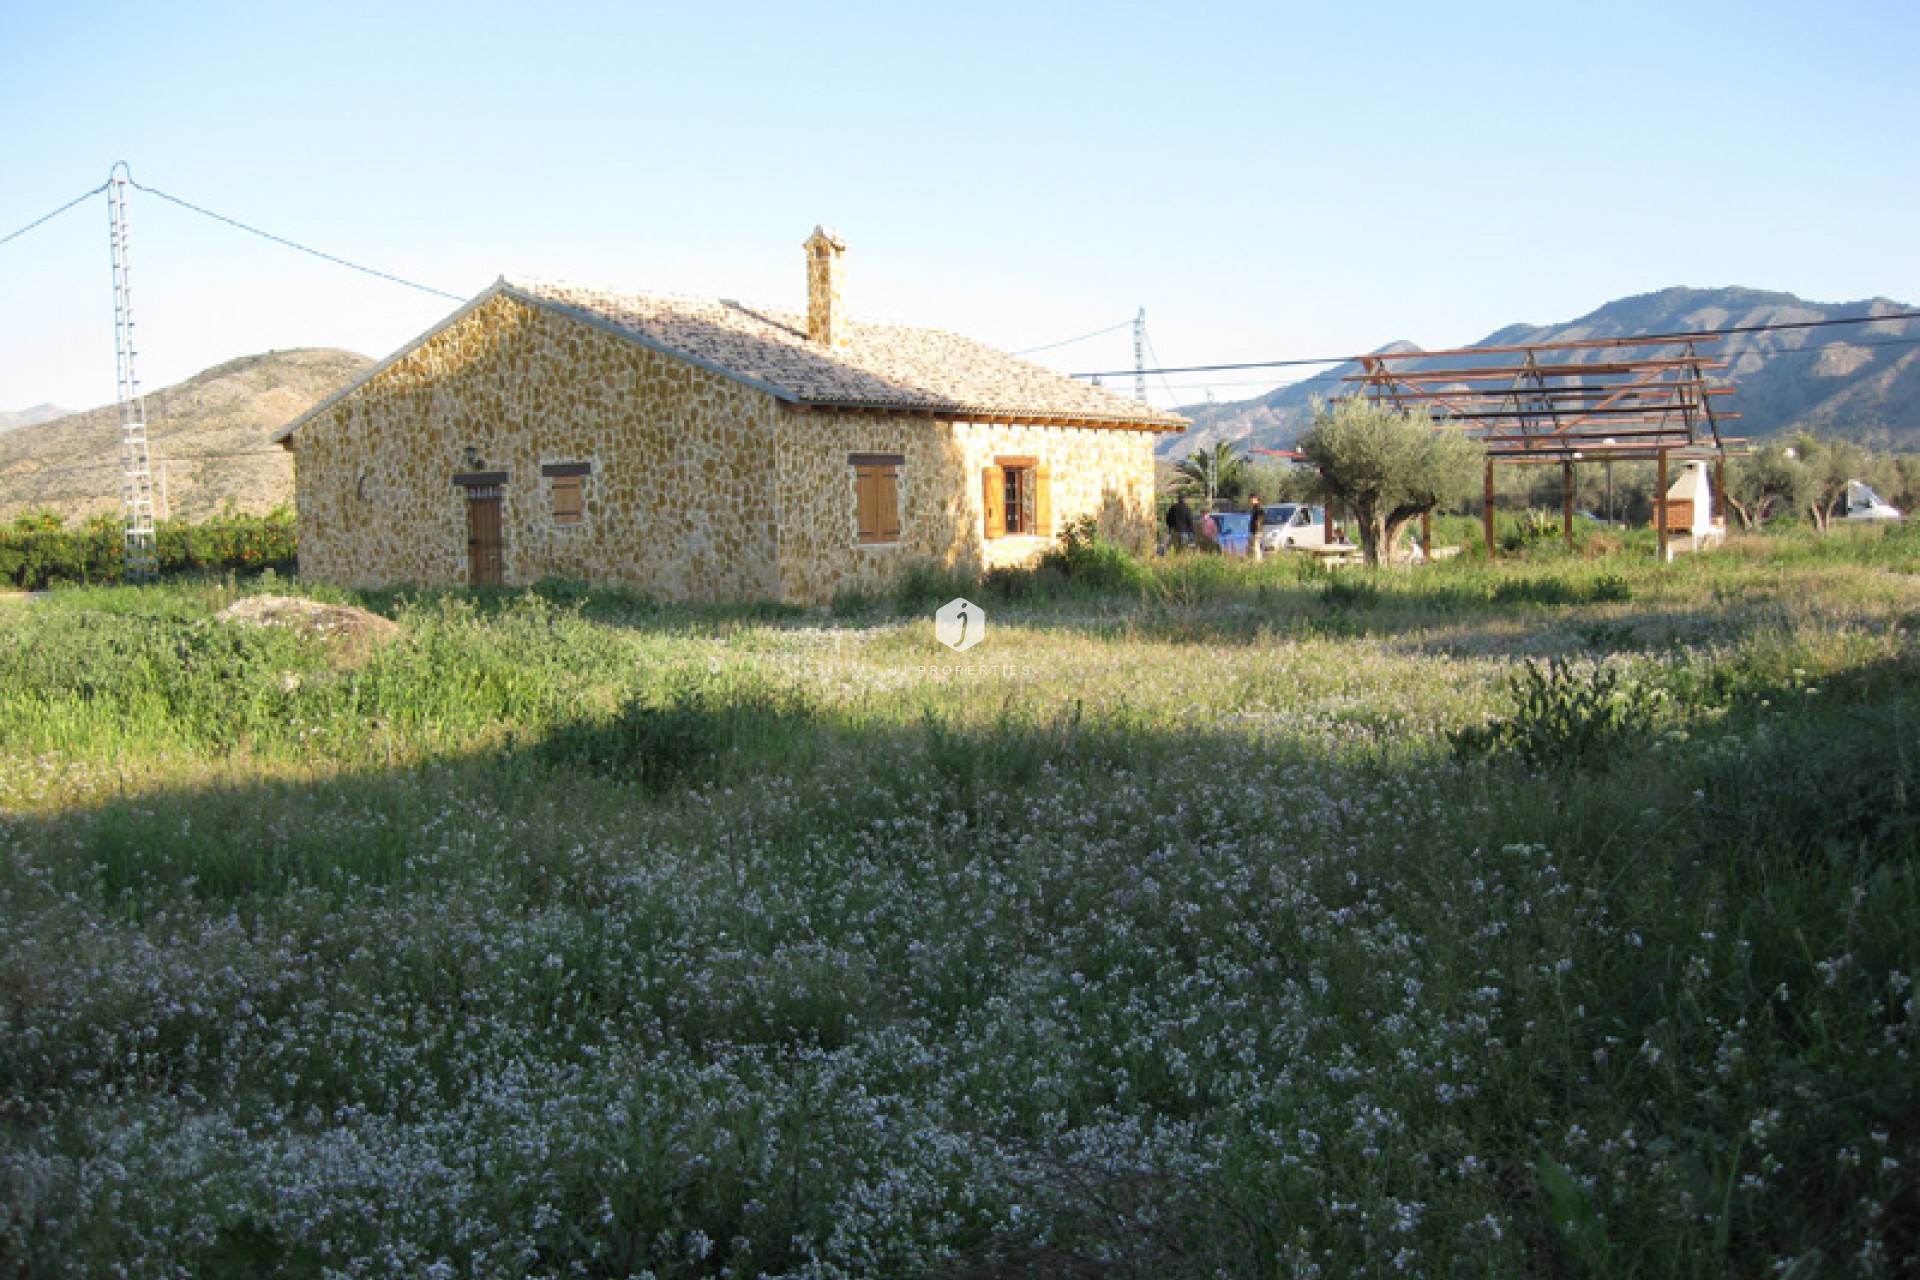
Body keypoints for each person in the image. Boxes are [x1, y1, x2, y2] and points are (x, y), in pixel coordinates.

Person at [1247, 494, 1266, 562]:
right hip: (1253, 531)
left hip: (1257, 531)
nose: (1250, 500)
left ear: (1256, 499)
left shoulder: (1259, 508)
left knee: (1256, 547)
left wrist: (1257, 529)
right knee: (1250, 547)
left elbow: (1260, 519)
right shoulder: (1254, 508)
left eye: (1252, 499)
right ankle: (1251, 560)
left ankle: (1258, 562)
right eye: (1250, 499)